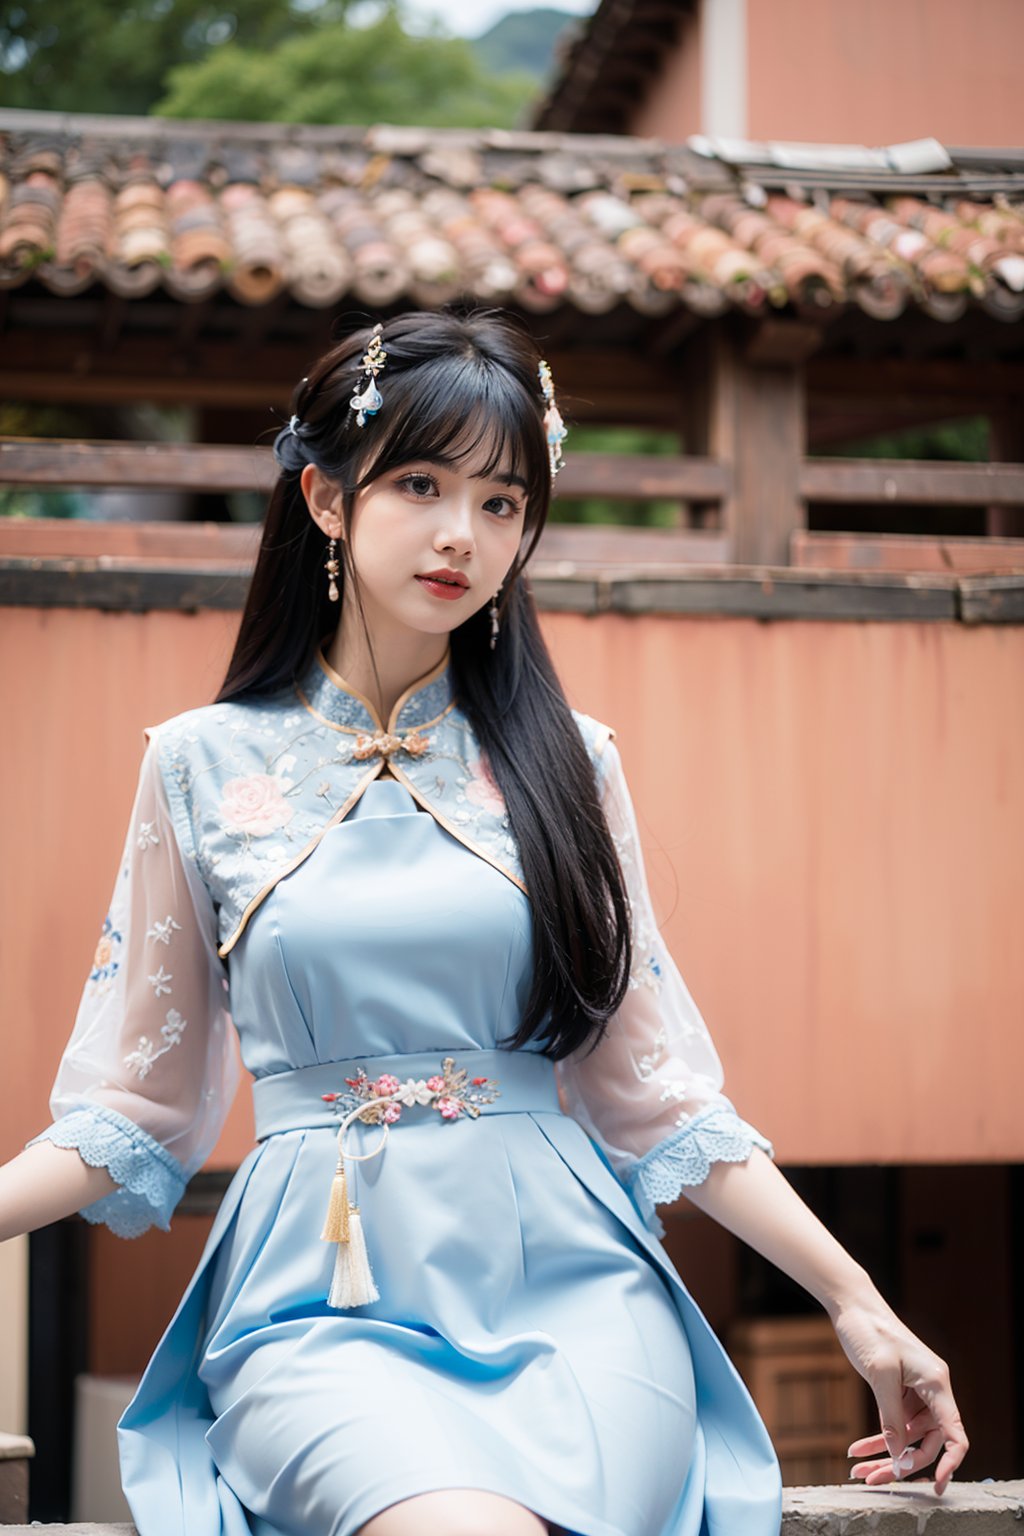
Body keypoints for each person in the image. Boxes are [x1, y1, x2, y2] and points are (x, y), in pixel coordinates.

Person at [2, 309, 967, 1536]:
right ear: (325, 500)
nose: (465, 532)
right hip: (321, 1301)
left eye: (504, 502)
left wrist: (857, 1300)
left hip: (573, 1295)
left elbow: (661, 1097)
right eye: (420, 483)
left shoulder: (574, 764)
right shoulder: (199, 768)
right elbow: (130, 1112)